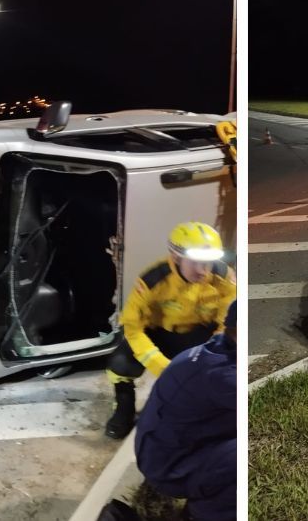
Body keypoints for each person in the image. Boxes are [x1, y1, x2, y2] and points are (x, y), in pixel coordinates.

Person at [104, 221, 235, 439]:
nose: (203, 271)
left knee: (221, 369)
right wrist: (162, 367)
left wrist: (208, 358)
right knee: (120, 364)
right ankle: (124, 409)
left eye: (208, 263)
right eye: (195, 263)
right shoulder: (153, 280)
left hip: (199, 337)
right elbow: (133, 328)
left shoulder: (224, 277)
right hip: (160, 336)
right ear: (176, 257)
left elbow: (228, 324)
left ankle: (204, 411)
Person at [135, 299, 237, 521]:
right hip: (169, 468)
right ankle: (201, 515)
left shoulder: (214, 349)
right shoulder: (223, 375)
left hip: (160, 452)